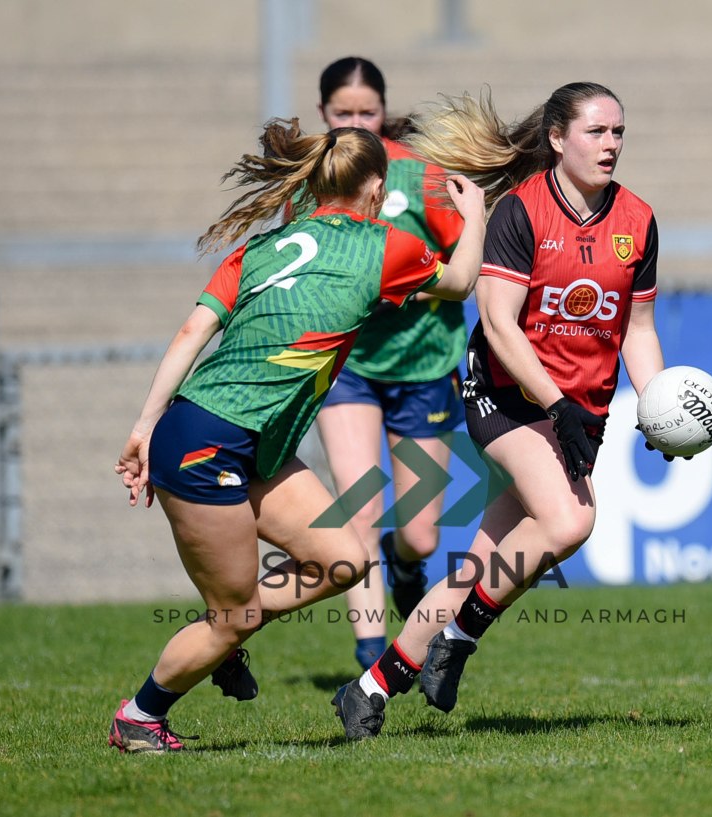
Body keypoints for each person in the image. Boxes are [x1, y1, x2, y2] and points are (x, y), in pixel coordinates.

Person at [107, 118, 485, 753]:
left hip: (222, 435)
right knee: (232, 618)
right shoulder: (383, 246)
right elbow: (461, 282)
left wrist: (144, 424)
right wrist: (472, 218)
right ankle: (140, 716)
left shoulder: (261, 249)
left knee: (344, 561)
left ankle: (224, 635)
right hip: (208, 447)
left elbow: (191, 333)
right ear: (377, 187)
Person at [331, 82, 672, 739]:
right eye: (596, 132)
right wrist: (557, 404)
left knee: (483, 564)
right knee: (570, 520)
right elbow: (498, 323)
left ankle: (369, 690)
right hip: (507, 394)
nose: (610, 144)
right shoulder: (521, 211)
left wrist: (655, 404)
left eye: (618, 132)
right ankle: (458, 639)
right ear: (557, 139)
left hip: (579, 409)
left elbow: (638, 329)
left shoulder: (638, 219)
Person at [315, 56, 471, 672]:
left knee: (421, 535)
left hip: (426, 364)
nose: (356, 124)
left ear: (384, 111)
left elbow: (465, 265)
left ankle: (404, 563)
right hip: (346, 363)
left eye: (368, 112)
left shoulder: (418, 175)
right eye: (343, 113)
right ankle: (370, 656)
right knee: (358, 509)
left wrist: (403, 288)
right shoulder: (311, 179)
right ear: (322, 113)